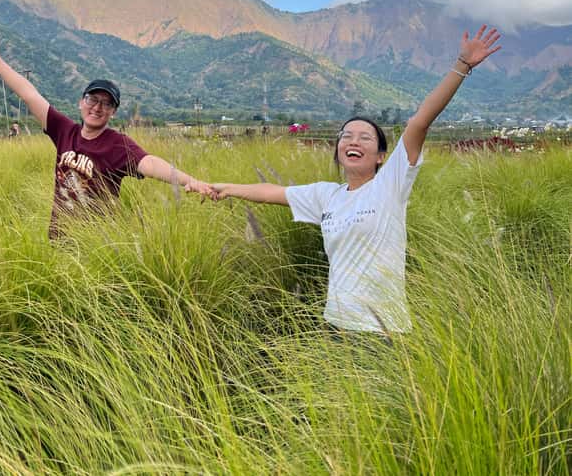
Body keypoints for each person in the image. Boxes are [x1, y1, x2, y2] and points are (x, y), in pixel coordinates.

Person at [203, 26, 501, 335]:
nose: (352, 141)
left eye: (364, 138)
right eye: (346, 136)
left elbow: (420, 122)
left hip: (383, 332)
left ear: (381, 155)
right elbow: (271, 192)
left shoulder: (390, 186)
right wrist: (227, 188)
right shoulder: (326, 196)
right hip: (336, 326)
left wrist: (461, 66)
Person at [0, 31, 217, 238]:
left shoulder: (118, 145)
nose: (97, 107)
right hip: (59, 239)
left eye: (106, 104)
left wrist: (189, 181)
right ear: (81, 102)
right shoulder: (64, 130)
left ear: (113, 112)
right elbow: (29, 93)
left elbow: (150, 163)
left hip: (97, 244)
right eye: (92, 99)